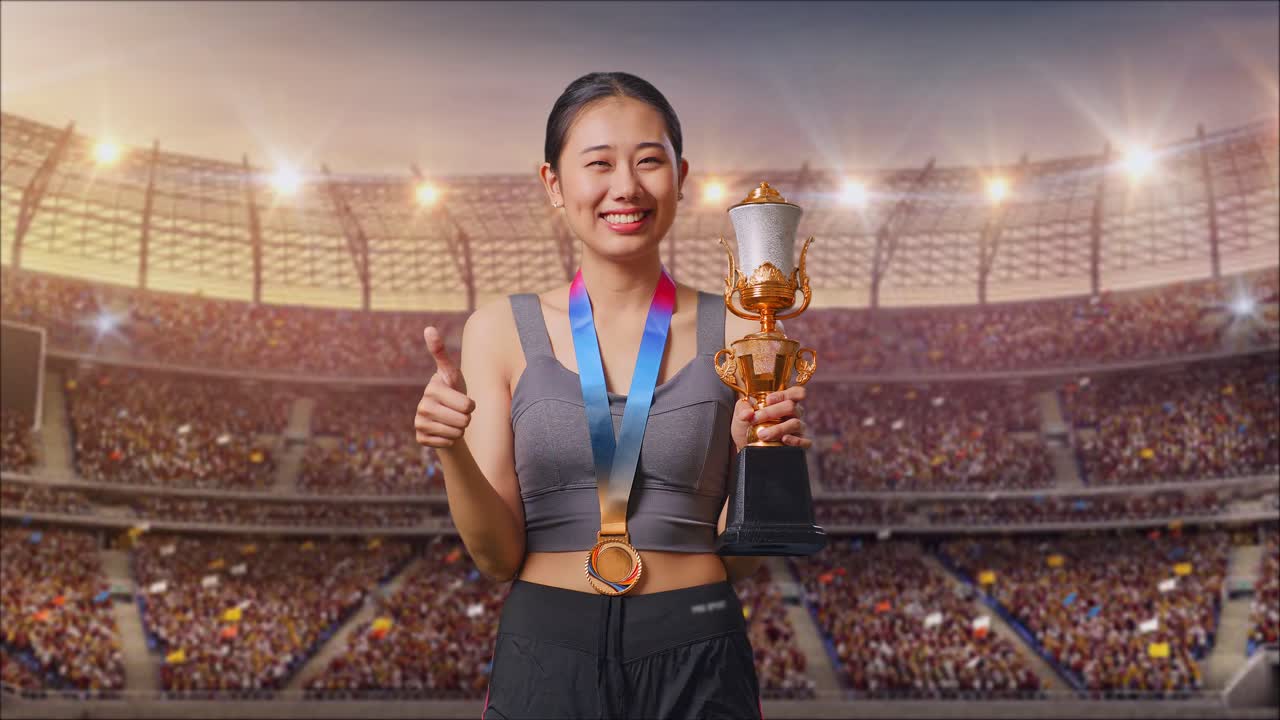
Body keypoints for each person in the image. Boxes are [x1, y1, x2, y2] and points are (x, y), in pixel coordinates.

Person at [415, 72, 811, 718]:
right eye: (598, 163)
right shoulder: (498, 331)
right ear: (553, 183)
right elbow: (497, 558)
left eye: (648, 161)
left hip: (698, 645)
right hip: (547, 651)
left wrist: (759, 463)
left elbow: (739, 565)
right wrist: (449, 449)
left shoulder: (744, 335)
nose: (625, 186)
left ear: (681, 177)